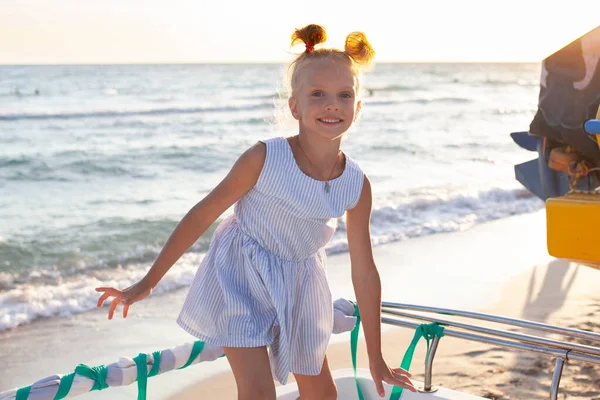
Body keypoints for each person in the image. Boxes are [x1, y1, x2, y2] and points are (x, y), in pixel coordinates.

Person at [96, 24, 416, 399]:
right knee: (257, 393)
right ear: (294, 106)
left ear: (357, 109)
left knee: (323, 395)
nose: (332, 104)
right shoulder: (264, 158)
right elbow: (202, 214)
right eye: (318, 94)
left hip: (301, 281)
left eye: (344, 95)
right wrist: (148, 282)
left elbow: (364, 270)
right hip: (240, 274)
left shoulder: (357, 184)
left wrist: (375, 357)